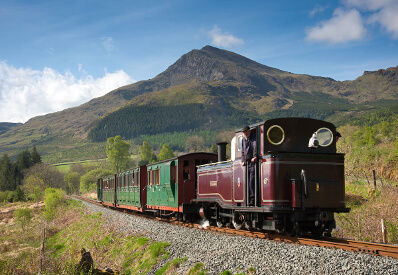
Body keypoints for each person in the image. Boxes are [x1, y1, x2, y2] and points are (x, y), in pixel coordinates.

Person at [241, 125, 257, 206]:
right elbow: (243, 151)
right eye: (244, 132)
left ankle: (253, 199)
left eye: (246, 131)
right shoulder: (243, 139)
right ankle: (247, 199)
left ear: (249, 131)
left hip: (253, 163)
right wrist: (243, 160)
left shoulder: (254, 137)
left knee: (252, 181)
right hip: (247, 163)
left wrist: (255, 156)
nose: (245, 133)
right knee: (246, 182)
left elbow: (255, 146)